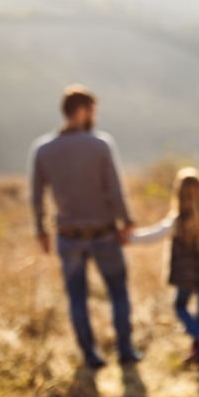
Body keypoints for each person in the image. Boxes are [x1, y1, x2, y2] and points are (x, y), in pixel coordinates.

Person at [29, 84, 142, 368]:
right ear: (81, 111)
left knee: (77, 298)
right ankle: (125, 350)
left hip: (68, 236)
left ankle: (90, 355)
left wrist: (41, 231)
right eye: (93, 111)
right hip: (103, 232)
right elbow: (114, 190)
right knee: (118, 292)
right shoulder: (100, 144)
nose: (95, 117)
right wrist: (126, 221)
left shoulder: (43, 149)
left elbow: (36, 194)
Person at [131, 168, 199, 366]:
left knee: (180, 306)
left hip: (186, 274)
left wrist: (130, 238)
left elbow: (154, 235)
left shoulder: (179, 219)